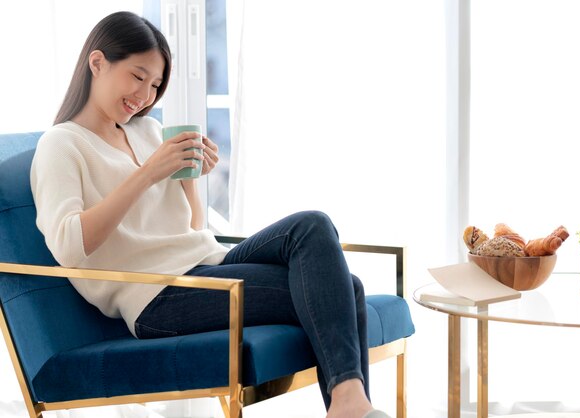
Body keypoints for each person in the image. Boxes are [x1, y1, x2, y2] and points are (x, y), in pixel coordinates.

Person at [30, 11, 390, 418]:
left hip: (205, 265)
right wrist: (150, 173)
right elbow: (69, 247)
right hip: (156, 296)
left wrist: (189, 177)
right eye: (137, 76)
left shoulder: (146, 131)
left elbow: (191, 228)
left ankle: (349, 404)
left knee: (312, 225)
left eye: (154, 85)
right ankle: (350, 405)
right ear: (97, 63)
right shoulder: (61, 145)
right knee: (346, 287)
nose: (145, 95)